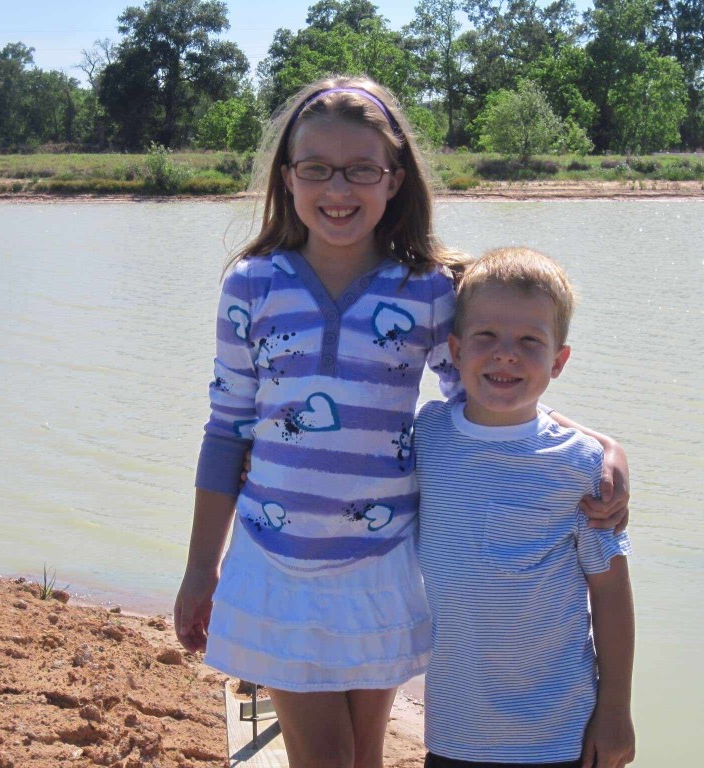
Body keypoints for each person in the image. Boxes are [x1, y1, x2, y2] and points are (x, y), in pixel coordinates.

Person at [173, 75, 631, 768]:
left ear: (394, 180)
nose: (339, 188)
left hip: (383, 566)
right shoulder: (251, 284)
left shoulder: (428, 289)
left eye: (362, 169)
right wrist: (200, 569)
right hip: (277, 561)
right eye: (317, 168)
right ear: (287, 177)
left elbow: (485, 397)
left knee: (364, 757)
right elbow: (226, 428)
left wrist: (601, 445)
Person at [416, 247, 635, 768]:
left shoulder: (582, 465)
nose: (505, 354)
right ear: (455, 348)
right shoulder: (425, 439)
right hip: (454, 729)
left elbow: (611, 596)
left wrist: (616, 711)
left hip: (557, 732)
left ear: (559, 361)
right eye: (486, 337)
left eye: (530, 342)